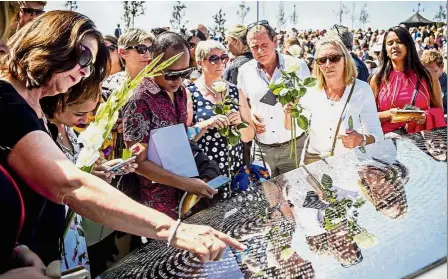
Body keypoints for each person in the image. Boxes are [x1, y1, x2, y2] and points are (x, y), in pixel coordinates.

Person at [0, 11, 244, 269]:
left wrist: (17, 249)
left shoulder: (34, 106)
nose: (84, 71)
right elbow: (70, 185)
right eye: (83, 56)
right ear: (49, 42)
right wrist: (174, 231)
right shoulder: (7, 101)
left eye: (91, 65)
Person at [123, 32, 223, 218]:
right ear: (153, 63)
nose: (178, 80)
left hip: (188, 198)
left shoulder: (182, 93)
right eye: (171, 74)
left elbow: (182, 138)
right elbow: (138, 162)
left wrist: (205, 171)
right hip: (157, 205)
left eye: (184, 73)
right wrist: (186, 184)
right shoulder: (139, 101)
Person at [40, 87, 137, 273]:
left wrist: (105, 169)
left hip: (76, 228)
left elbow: (80, 170)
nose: (85, 119)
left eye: (90, 113)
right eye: (80, 113)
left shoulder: (68, 128)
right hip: (55, 229)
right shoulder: (42, 134)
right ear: (57, 102)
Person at [287, 36, 383, 164]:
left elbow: (377, 133)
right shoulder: (310, 89)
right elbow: (292, 128)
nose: (328, 64)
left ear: (345, 60)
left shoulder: (362, 89)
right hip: (314, 163)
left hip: (348, 164)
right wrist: (289, 114)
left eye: (334, 58)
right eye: (322, 60)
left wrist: (361, 139)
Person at [237, 20, 310, 177]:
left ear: (275, 41)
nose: (260, 51)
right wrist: (249, 117)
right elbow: (243, 105)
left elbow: (310, 103)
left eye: (264, 45)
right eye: (254, 47)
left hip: (294, 148)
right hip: (261, 150)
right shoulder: (244, 71)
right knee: (266, 199)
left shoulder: (298, 66)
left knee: (295, 197)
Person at [185, 40, 255, 176]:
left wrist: (239, 123)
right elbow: (185, 137)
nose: (220, 62)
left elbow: (249, 137)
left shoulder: (236, 91)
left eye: (224, 57)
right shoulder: (190, 93)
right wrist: (206, 124)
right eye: (213, 59)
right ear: (199, 63)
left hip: (235, 168)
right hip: (206, 169)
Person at [370, 26, 444, 135]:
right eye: (390, 43)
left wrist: (425, 116)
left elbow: (439, 111)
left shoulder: (428, 75)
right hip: (386, 145)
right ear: (385, 50)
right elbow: (368, 116)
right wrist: (389, 114)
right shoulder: (377, 79)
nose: (394, 46)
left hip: (419, 144)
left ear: (408, 46)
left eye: (399, 42)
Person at [420, 49, 447, 114]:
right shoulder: (421, 84)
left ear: (442, 66)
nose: (429, 75)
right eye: (426, 72)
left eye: (434, 71)